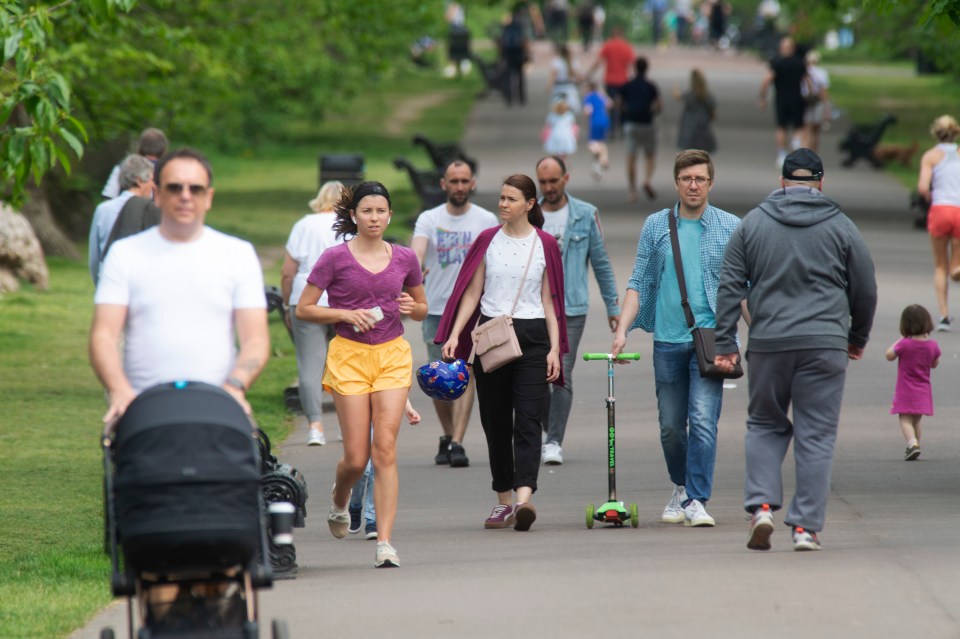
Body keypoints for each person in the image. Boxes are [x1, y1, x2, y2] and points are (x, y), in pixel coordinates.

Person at [714, 148, 878, 552]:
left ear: (783, 181)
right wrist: (856, 338)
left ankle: (762, 507)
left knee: (765, 424)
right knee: (816, 434)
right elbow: (865, 288)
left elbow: (730, 284)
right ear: (821, 183)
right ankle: (805, 528)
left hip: (769, 343)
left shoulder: (752, 224)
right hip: (824, 345)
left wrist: (724, 343)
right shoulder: (842, 226)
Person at [295, 181, 427, 569]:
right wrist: (343, 314)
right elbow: (304, 309)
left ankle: (384, 542)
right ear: (354, 216)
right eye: (367, 211)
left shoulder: (404, 258)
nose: (374, 217)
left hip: (392, 355)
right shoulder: (334, 259)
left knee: (384, 449)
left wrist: (411, 306)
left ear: (389, 215)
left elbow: (420, 307)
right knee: (356, 457)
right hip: (349, 356)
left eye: (381, 211)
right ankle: (340, 496)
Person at [90, 147, 270, 425]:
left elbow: (256, 339)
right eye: (174, 188)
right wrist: (119, 390)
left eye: (195, 189)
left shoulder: (238, 254)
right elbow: (103, 335)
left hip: (217, 406)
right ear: (157, 194)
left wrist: (236, 386)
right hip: (143, 408)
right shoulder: (126, 253)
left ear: (208, 197)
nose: (185, 196)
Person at [611, 149, 740, 528]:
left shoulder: (730, 226)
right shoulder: (656, 225)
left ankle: (697, 499)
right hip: (668, 340)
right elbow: (638, 282)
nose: (694, 185)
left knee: (702, 420)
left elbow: (744, 288)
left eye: (700, 178)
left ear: (711, 183)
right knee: (671, 426)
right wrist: (622, 330)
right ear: (677, 182)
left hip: (713, 339)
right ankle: (681, 486)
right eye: (687, 179)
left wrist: (762, 335)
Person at [436, 174, 568, 532]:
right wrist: (454, 333)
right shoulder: (486, 240)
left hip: (533, 337)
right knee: (495, 421)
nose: (503, 204)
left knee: (527, 419)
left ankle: (524, 500)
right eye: (502, 198)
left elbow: (550, 300)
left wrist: (555, 348)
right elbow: (472, 292)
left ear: (529, 204)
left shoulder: (545, 244)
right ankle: (503, 501)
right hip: (492, 336)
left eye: (511, 199)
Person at [411, 160, 498, 468]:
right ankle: (447, 435)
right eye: (454, 181)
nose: (459, 186)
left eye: (464, 181)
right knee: (437, 376)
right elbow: (417, 252)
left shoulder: (486, 220)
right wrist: (415, 270)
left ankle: (457, 442)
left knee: (465, 372)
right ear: (443, 184)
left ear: (472, 183)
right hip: (436, 308)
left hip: (473, 310)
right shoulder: (429, 218)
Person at [536, 156, 619, 465]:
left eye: (553, 181)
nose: (548, 187)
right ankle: (550, 427)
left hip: (571, 308)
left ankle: (554, 441)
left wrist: (613, 305)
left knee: (561, 372)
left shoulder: (585, 214)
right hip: (533, 309)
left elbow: (601, 262)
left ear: (565, 179)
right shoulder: (529, 215)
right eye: (543, 182)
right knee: (536, 374)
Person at [281, 181, 347, 446]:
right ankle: (346, 424)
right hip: (342, 300)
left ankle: (315, 427)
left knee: (309, 365)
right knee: (343, 364)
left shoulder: (303, 225)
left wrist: (288, 304)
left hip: (305, 298)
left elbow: (288, 271)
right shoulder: (349, 225)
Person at [349, 400, 421, 540]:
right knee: (361, 468)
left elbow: (394, 379)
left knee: (377, 466)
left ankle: (372, 518)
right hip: (357, 407)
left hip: (382, 411)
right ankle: (355, 504)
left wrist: (408, 406)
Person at [917, 114, 960, 331]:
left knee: (940, 265)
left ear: (936, 132)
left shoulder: (931, 156)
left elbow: (923, 187)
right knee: (956, 263)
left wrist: (930, 197)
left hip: (941, 209)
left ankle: (943, 315)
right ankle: (957, 269)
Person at [88, 154, 158, 284]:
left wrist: (100, 284)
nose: (153, 185)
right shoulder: (150, 211)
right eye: (151, 180)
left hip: (108, 278)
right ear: (139, 180)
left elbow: (94, 258)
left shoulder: (102, 210)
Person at [885, 305, 940, 462]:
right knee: (916, 420)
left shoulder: (904, 344)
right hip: (923, 390)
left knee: (905, 419)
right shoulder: (933, 345)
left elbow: (889, 355)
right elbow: (935, 364)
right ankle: (915, 445)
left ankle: (912, 443)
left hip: (906, 390)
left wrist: (901, 339)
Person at [758, 37, 808, 168]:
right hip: (798, 99)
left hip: (781, 99)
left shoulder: (777, 63)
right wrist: (811, 96)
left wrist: (762, 97)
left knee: (781, 127)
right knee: (799, 127)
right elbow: (808, 82)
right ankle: (797, 144)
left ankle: (781, 155)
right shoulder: (800, 63)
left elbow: (767, 80)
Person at [619, 57, 662, 202]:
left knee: (631, 157)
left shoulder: (627, 85)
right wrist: (654, 113)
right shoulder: (651, 86)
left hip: (631, 124)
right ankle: (647, 180)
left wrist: (624, 114)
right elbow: (659, 106)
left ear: (634, 68)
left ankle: (632, 191)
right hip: (647, 123)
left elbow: (619, 103)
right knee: (650, 155)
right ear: (647, 68)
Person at [587, 25, 636, 139]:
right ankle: (623, 127)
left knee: (611, 105)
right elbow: (633, 63)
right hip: (624, 81)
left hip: (610, 80)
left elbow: (598, 62)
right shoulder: (626, 46)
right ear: (622, 34)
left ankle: (612, 129)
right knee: (623, 105)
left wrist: (589, 74)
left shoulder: (608, 45)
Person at [101, 128, 168, 199]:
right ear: (163, 149)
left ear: (140, 146)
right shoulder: (167, 170)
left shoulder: (123, 166)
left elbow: (109, 195)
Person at [675, 68, 717, 154]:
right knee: (702, 156)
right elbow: (713, 114)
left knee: (690, 156)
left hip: (689, 129)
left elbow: (677, 96)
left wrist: (676, 87)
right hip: (703, 128)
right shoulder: (708, 96)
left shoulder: (689, 95)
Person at [500, 7, 531, 107]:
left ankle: (509, 98)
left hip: (509, 53)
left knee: (509, 76)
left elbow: (503, 41)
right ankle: (521, 98)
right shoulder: (521, 26)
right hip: (518, 53)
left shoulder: (507, 27)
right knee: (520, 76)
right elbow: (524, 40)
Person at [801, 50, 831, 153]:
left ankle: (804, 152)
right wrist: (827, 108)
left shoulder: (803, 71)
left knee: (805, 129)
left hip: (804, 101)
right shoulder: (822, 72)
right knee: (815, 129)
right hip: (817, 102)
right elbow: (824, 91)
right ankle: (813, 153)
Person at [582, 81, 612, 179]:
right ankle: (604, 159)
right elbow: (610, 104)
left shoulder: (589, 97)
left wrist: (586, 118)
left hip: (595, 122)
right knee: (601, 141)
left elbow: (588, 110)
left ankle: (600, 154)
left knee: (592, 144)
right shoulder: (601, 96)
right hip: (605, 121)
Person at [547, 43, 581, 113]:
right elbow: (578, 77)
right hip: (571, 87)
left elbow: (553, 76)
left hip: (558, 87)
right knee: (572, 109)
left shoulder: (556, 62)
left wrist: (549, 86)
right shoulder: (574, 62)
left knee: (556, 109)